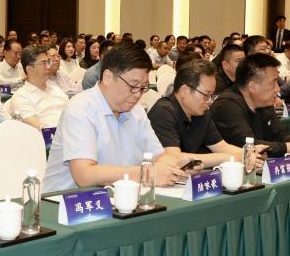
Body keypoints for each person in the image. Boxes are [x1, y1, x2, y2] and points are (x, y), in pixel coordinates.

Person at [43, 44, 187, 191]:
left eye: (143, 87)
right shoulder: (80, 109)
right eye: (133, 85)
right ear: (108, 77)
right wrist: (146, 173)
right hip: (66, 200)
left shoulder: (136, 110)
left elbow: (159, 156)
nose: (138, 94)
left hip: (117, 196)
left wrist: (175, 167)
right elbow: (84, 175)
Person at [147, 58, 246, 168]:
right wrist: (226, 158)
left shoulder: (201, 112)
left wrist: (247, 153)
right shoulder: (163, 112)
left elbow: (221, 146)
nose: (210, 101)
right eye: (206, 95)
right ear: (184, 90)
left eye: (212, 95)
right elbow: (174, 158)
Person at [209, 53, 290, 157]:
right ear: (252, 86)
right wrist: (288, 147)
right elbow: (248, 145)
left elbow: (280, 135)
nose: (277, 89)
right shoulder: (226, 106)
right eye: (273, 83)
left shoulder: (264, 102)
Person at [9, 46, 69, 129]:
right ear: (30, 69)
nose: (49, 67)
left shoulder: (54, 87)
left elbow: (71, 110)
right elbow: (39, 129)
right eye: (43, 63)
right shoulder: (21, 97)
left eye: (48, 62)